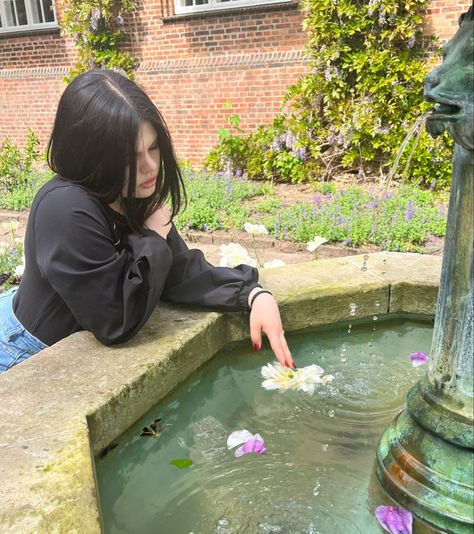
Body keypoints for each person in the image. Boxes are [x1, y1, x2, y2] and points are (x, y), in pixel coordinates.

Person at [0, 69, 295, 373]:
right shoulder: (65, 209)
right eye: (131, 157)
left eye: (153, 148)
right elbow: (114, 321)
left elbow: (178, 271)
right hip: (23, 350)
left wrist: (252, 294)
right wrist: (152, 238)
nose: (150, 166)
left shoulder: (130, 190)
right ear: (93, 157)